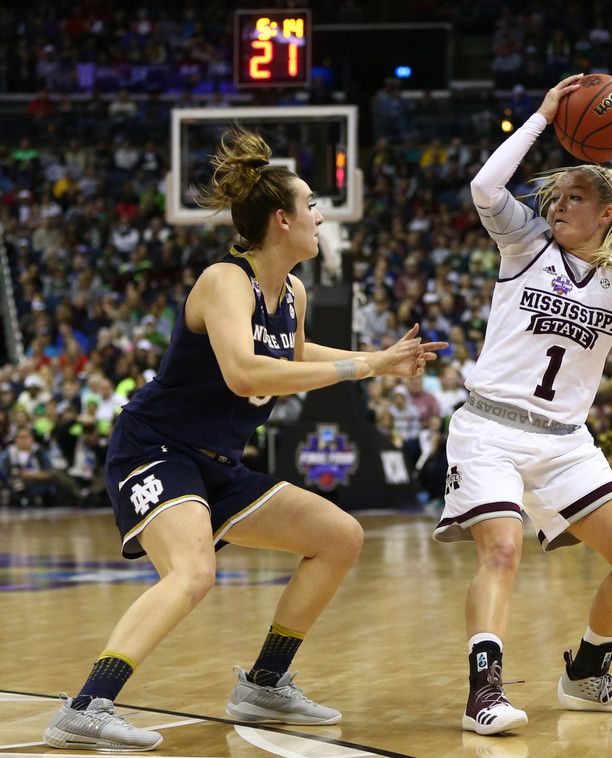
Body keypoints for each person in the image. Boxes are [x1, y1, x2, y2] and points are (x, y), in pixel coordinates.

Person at [43, 127, 445, 752]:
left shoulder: (294, 292)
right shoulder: (224, 280)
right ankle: (87, 704)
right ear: (282, 220)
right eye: (311, 204)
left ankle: (264, 682)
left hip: (216, 464)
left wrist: (380, 358)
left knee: (339, 536)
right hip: (156, 447)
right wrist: (363, 368)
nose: (320, 214)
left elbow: (291, 349)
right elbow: (248, 371)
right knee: (192, 573)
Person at [432, 74, 612, 736]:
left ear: (606, 216)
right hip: (490, 429)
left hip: (566, 439)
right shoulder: (526, 245)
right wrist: (541, 117)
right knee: (503, 550)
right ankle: (483, 694)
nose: (559, 204)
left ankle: (587, 674)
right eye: (557, 195)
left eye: (576, 197)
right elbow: (486, 187)